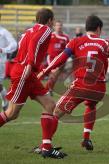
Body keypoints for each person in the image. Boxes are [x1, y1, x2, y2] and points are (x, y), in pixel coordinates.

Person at [37, 15, 109, 151]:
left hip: (81, 86)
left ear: (86, 28)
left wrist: (44, 71)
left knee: (55, 113)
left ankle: (45, 146)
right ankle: (86, 138)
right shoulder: (105, 43)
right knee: (91, 105)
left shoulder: (76, 41)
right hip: (98, 89)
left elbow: (60, 58)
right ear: (99, 28)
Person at [0, 8, 66, 159]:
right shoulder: (46, 30)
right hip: (24, 73)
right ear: (49, 20)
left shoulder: (28, 31)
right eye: (53, 20)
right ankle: (46, 147)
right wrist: (29, 64)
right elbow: (35, 44)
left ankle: (46, 148)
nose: (53, 23)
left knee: (51, 106)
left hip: (29, 74)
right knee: (11, 113)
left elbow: (21, 46)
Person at [46, 20, 69, 95]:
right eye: (57, 25)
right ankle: (47, 90)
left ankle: (49, 89)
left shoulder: (65, 37)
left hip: (61, 59)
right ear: (54, 27)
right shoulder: (50, 36)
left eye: (60, 25)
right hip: (51, 58)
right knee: (53, 74)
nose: (59, 27)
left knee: (55, 76)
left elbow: (67, 48)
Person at [0, 13, 18, 111]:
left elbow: (14, 44)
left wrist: (3, 50)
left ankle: (5, 101)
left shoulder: (4, 32)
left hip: (0, 63)